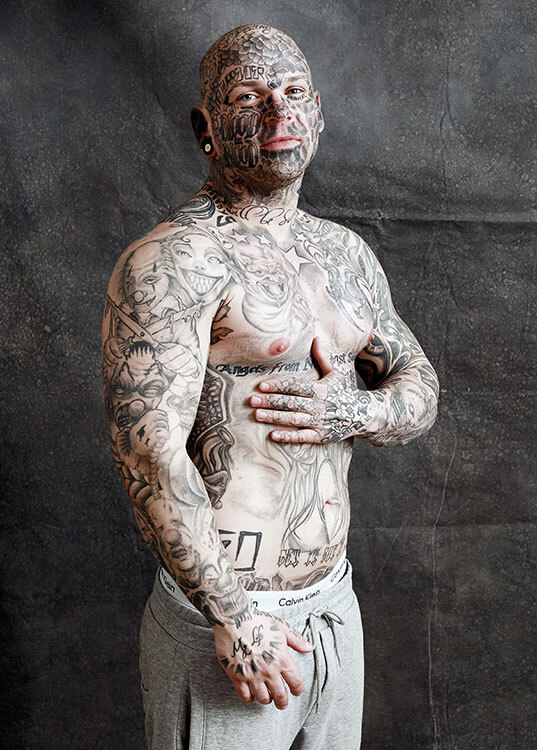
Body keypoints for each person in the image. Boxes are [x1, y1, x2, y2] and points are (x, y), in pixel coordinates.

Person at [101, 23, 439, 750]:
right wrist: (233, 617)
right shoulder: (174, 260)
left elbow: (418, 384)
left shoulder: (344, 254)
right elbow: (147, 455)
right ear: (206, 128)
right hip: (230, 626)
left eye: (292, 93)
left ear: (316, 112)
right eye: (248, 98)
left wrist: (354, 410)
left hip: (333, 606)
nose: (277, 113)